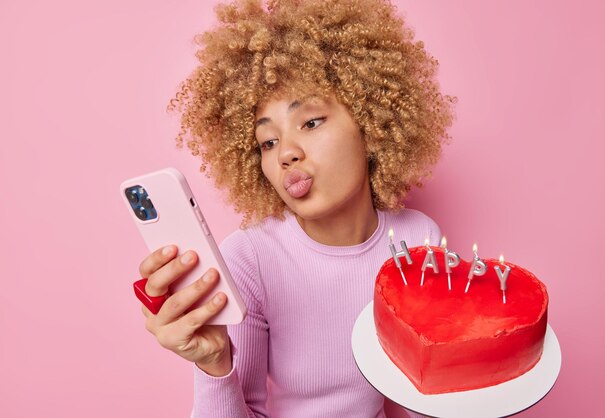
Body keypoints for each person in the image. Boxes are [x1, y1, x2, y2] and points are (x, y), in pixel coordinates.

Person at [137, 0, 454, 416]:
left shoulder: (418, 241)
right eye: (268, 142)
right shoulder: (251, 258)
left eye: (310, 122)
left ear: (369, 122)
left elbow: (425, 398)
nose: (286, 153)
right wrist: (213, 365)